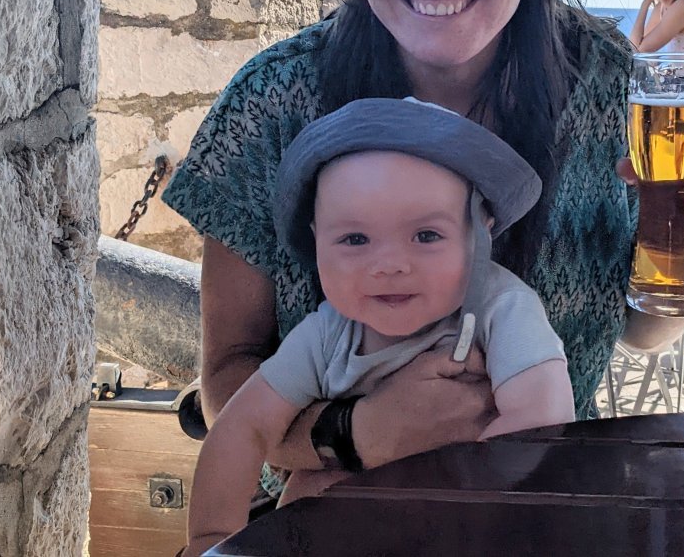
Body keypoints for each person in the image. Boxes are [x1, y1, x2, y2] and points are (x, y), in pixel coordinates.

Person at [162, 0, 684, 500]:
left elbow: (642, 335)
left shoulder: (610, 89)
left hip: (540, 512)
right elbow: (226, 380)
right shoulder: (273, 104)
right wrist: (356, 435)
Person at [183, 97, 575, 555]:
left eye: (426, 235)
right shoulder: (327, 336)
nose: (389, 264)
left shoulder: (500, 308)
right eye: (355, 239)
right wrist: (211, 539)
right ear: (317, 238)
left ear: (480, 232)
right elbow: (242, 427)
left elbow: (540, 424)